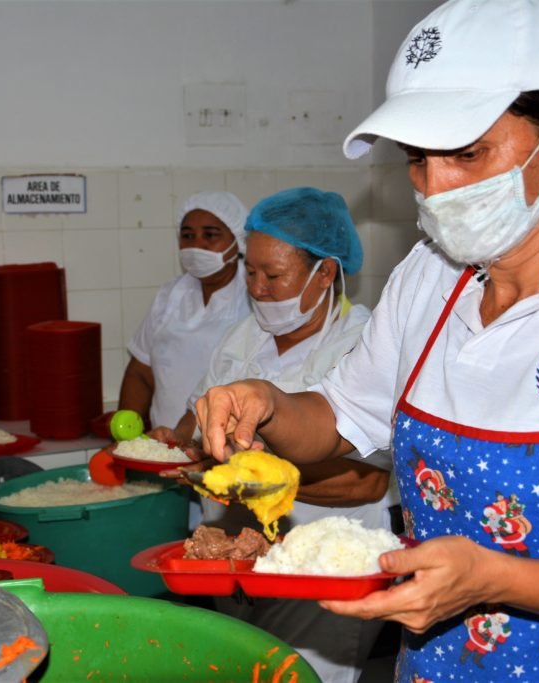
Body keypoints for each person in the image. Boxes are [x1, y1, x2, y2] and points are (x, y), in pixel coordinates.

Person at [194, 1, 539, 682]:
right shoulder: (429, 277)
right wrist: (269, 403)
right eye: (417, 158)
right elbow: (336, 419)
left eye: (468, 152)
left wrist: (495, 577)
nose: (435, 186)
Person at [153, 187, 394, 683]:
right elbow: (198, 417)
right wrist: (176, 444)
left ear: (325, 272)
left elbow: (367, 482)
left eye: (275, 276)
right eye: (251, 273)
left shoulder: (364, 346)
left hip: (322, 564)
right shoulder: (243, 337)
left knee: (300, 675)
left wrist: (249, 481)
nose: (258, 289)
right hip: (238, 563)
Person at [118, 191, 250, 430]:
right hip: (164, 443)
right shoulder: (170, 296)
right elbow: (140, 373)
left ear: (238, 238)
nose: (197, 245)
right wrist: (127, 434)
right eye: (188, 236)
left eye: (210, 235)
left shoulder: (255, 297)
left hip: (230, 445)